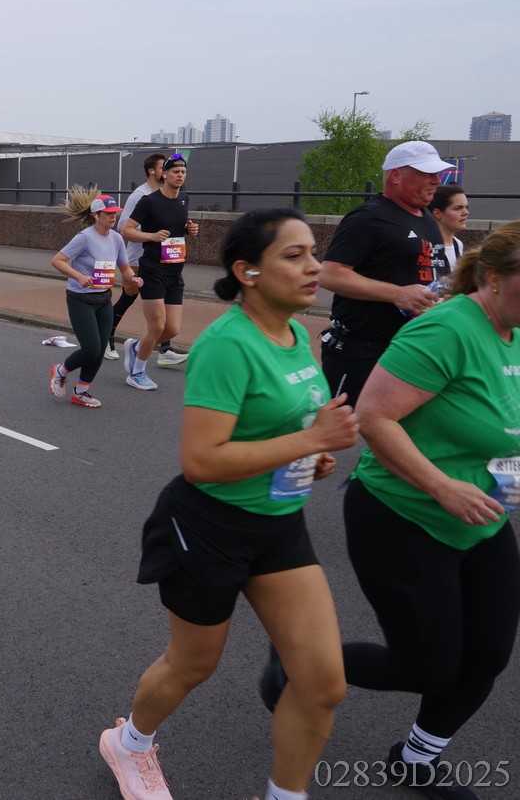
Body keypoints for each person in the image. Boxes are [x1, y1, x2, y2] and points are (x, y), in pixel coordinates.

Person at [101, 208, 358, 800]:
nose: (314, 266)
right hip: (208, 525)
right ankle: (130, 743)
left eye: (313, 252)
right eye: (293, 255)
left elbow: (287, 428)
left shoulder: (297, 336)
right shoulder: (226, 344)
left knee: (322, 683)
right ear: (248, 271)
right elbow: (202, 461)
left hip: (278, 524)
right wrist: (309, 442)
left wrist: (310, 454)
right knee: (194, 664)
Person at [330, 224, 520, 798]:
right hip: (404, 513)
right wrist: (442, 486)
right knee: (428, 665)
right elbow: (373, 417)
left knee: (487, 654)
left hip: (481, 515)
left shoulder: (514, 330)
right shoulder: (446, 329)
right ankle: (302, 659)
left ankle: (415, 759)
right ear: (493, 279)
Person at [318, 141, 451, 407]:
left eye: (437, 174)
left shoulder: (426, 217)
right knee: (342, 424)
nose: (436, 180)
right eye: (426, 173)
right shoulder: (368, 217)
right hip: (361, 350)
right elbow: (330, 274)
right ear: (396, 175)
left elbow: (434, 270)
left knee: (398, 423)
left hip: (410, 347)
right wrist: (397, 294)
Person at [47, 191, 140, 407]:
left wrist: (133, 278)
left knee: (100, 350)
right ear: (96, 215)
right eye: (108, 213)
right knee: (91, 348)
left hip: (103, 299)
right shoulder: (84, 237)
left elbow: (124, 267)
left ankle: (81, 392)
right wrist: (79, 276)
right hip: (80, 299)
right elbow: (58, 260)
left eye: (115, 213)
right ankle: (60, 371)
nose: (113, 216)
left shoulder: (116, 238)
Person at [117, 154, 199, 391]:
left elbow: (176, 227)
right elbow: (126, 230)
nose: (180, 175)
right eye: (175, 171)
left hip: (175, 271)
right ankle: (137, 373)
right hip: (152, 270)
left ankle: (136, 347)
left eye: (183, 172)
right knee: (157, 327)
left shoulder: (183, 199)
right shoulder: (149, 201)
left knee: (172, 329)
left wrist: (189, 229)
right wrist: (151, 236)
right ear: (165, 174)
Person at [107, 153, 167, 360]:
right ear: (152, 171)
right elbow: (123, 227)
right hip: (137, 260)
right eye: (163, 168)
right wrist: (151, 232)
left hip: (160, 259)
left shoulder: (165, 194)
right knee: (127, 298)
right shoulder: (140, 195)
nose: (167, 171)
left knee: (164, 302)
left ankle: (165, 350)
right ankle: (106, 338)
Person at [429, 184, 468, 280]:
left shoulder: (458, 244)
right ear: (437, 214)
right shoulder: (425, 245)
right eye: (458, 208)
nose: (466, 212)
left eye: (466, 207)